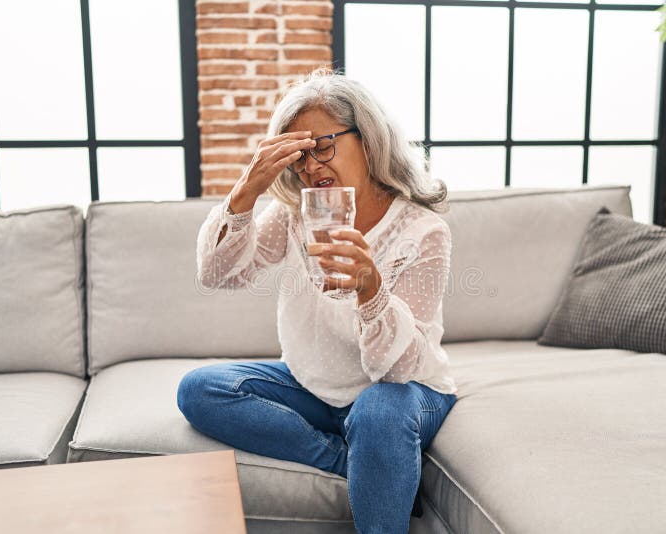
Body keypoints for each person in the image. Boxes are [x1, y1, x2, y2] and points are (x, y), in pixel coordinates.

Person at [177, 68, 458, 534]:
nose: (311, 167)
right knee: (200, 389)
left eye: (322, 147)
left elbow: (400, 370)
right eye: (300, 156)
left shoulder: (423, 231)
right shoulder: (294, 214)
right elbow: (216, 274)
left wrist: (370, 290)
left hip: (407, 390)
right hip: (313, 386)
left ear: (367, 140)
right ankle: (349, 457)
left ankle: (372, 445)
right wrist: (244, 192)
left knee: (377, 411)